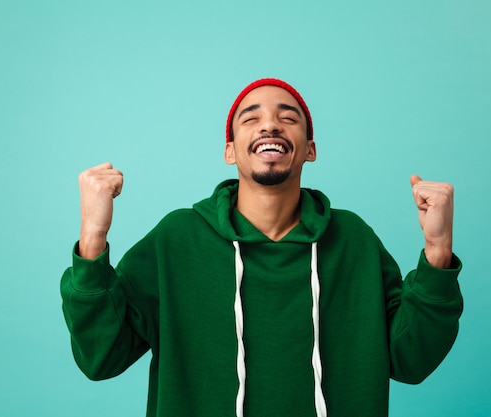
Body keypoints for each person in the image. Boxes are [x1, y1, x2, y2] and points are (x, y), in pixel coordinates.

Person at [61, 78, 463, 417]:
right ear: (230, 151)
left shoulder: (353, 240)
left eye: (288, 118)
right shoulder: (177, 240)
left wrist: (437, 250)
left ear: (310, 149)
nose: (270, 125)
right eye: (250, 118)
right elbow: (103, 357)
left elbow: (410, 359)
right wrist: (93, 238)